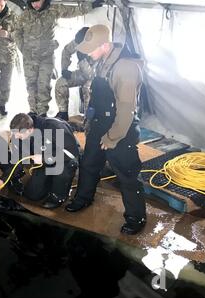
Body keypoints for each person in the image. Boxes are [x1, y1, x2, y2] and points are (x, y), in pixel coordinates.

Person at [65, 25, 147, 235]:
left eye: (90, 48)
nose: (87, 53)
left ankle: (136, 217)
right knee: (89, 162)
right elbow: (98, 95)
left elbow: (126, 110)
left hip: (121, 128)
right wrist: (90, 121)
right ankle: (83, 198)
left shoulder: (126, 67)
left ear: (105, 44)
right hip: (99, 123)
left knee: (127, 173)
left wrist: (113, 137)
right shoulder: (103, 60)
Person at [14, 0, 104, 116]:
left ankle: (42, 114)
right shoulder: (24, 15)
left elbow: (73, 11)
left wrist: (90, 6)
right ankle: (32, 112)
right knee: (31, 86)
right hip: (29, 58)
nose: (35, 5)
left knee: (43, 86)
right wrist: (23, 49)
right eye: (32, 2)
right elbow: (16, 32)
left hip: (46, 58)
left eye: (38, 1)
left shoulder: (53, 10)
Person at [9, 113, 81, 209]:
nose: (16, 137)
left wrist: (44, 157)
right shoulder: (20, 132)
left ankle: (58, 196)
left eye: (19, 136)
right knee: (33, 195)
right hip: (44, 158)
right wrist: (13, 176)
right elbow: (20, 156)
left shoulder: (55, 127)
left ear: (30, 130)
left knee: (65, 169)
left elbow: (71, 152)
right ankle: (50, 180)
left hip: (64, 157)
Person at [55, 27, 95, 121]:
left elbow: (92, 75)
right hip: (82, 73)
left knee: (87, 87)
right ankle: (63, 114)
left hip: (94, 77)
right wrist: (65, 70)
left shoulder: (96, 45)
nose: (79, 46)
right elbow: (66, 51)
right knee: (61, 82)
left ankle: (88, 119)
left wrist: (82, 60)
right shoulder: (79, 40)